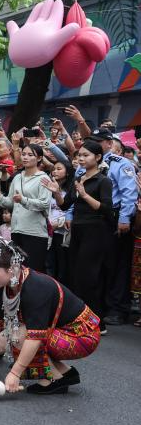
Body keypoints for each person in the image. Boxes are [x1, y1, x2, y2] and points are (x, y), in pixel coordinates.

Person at [0, 239, 100, 395]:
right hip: (62, 332)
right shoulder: (6, 285)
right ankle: (65, 372)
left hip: (82, 335)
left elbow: (35, 337)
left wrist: (15, 373)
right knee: (5, 336)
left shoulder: (36, 287)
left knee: (18, 335)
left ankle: (52, 380)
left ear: (12, 268)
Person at [81, 128, 138, 327]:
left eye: (99, 141)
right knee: (97, 264)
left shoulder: (121, 164)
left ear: (108, 143)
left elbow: (129, 193)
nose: (95, 144)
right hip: (91, 218)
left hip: (114, 217)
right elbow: (76, 190)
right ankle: (100, 306)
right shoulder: (85, 164)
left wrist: (124, 218)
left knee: (117, 265)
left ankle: (117, 308)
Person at [66, 140, 115, 334]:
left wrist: (85, 195)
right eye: (79, 155)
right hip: (78, 229)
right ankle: (80, 319)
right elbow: (65, 204)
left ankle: (97, 323)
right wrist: (56, 192)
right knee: (76, 276)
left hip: (96, 231)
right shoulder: (79, 178)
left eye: (86, 155)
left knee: (89, 277)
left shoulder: (103, 181)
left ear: (98, 157)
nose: (81, 159)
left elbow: (107, 209)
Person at [0, 144, 50, 271]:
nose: (25, 157)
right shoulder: (17, 177)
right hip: (16, 230)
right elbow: (11, 203)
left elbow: (44, 204)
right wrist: (0, 198)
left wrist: (23, 200)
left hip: (34, 232)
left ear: (39, 158)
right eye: (23, 154)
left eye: (30, 155)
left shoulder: (43, 178)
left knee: (32, 271)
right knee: (16, 270)